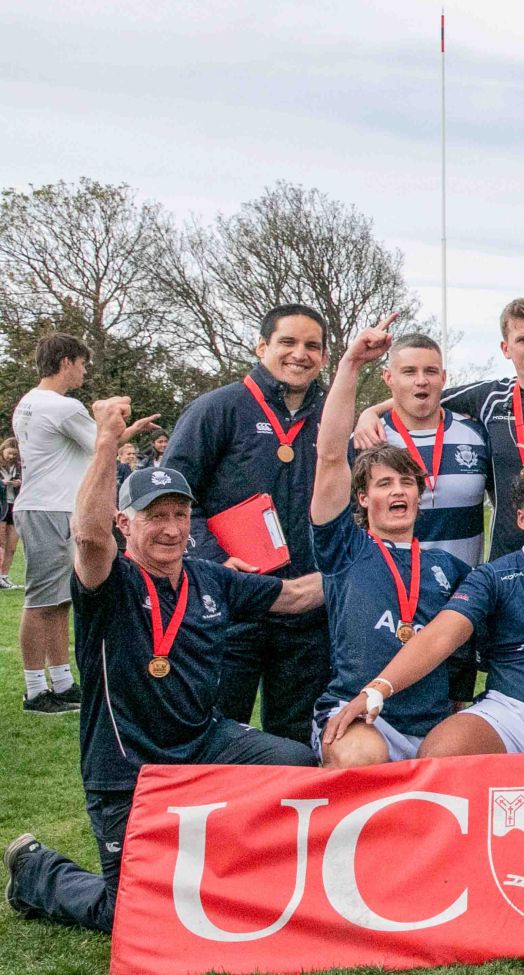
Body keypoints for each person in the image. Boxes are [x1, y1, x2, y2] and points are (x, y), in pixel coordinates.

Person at [4, 396, 321, 934]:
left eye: (180, 514)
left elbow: (291, 597)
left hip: (204, 742)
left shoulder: (211, 576)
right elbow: (87, 537)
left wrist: (361, 574)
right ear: (125, 522)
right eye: (156, 517)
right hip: (128, 768)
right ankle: (36, 871)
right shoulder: (109, 583)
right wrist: (105, 442)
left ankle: (229, 861)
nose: (171, 529)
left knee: (295, 761)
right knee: (135, 912)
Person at [321, 458, 524, 757]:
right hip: (501, 715)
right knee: (438, 752)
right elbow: (442, 635)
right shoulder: (495, 575)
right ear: (521, 518)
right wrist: (378, 688)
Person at [308, 319, 474, 768]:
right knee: (364, 756)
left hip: (430, 720)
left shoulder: (447, 566)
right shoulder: (345, 548)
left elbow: (461, 650)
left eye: (406, 482)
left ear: (420, 494)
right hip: (360, 717)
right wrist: (350, 364)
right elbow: (328, 456)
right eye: (384, 484)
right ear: (362, 498)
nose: (398, 492)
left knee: (468, 753)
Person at [162, 304, 329, 744]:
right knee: (214, 725)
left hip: (308, 605)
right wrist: (216, 563)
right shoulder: (216, 409)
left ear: (325, 356)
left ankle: (290, 812)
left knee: (296, 737)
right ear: (262, 347)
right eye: (288, 342)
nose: (300, 354)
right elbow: (173, 496)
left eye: (312, 345)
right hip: (230, 600)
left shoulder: (335, 417)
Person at [368, 297, 524, 554]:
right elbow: (425, 393)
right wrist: (371, 412)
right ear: (506, 348)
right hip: (506, 561)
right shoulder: (488, 398)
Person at [11, 334, 95, 714]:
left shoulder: (28, 401)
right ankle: (34, 690)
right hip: (50, 508)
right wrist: (121, 422)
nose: (83, 370)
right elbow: (103, 444)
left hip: (48, 506)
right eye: (81, 363)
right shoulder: (63, 407)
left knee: (60, 600)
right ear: (65, 362)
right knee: (42, 600)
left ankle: (60, 681)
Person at [367, 333, 490, 568]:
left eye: (430, 371)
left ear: (443, 378)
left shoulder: (476, 435)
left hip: (465, 594)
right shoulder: (370, 438)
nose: (421, 380)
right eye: (409, 372)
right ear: (388, 377)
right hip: (397, 591)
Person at [0, 438, 18, 592]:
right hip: (1, 505)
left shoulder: (19, 467)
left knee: (12, 546)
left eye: (15, 454)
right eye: (10, 453)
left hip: (16, 505)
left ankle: (4, 576)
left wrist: (20, 482)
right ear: (3, 450)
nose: (12, 457)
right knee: (2, 543)